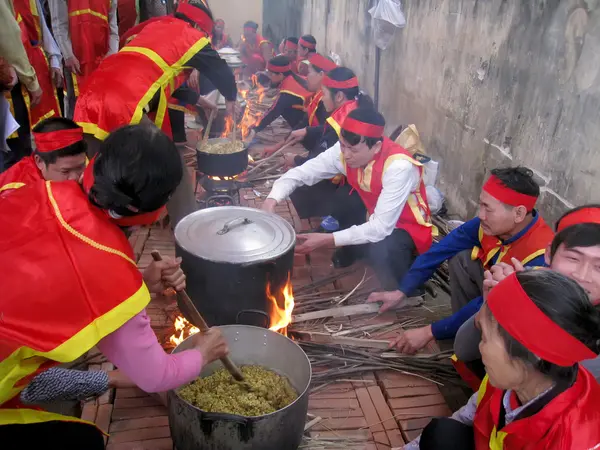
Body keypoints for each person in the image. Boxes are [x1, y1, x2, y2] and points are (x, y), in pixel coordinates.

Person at [0, 124, 229, 448]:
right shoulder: (110, 274)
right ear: (149, 210)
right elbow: (157, 377)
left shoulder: (29, 189)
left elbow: (61, 277)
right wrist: (204, 352)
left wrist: (139, 282)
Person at [74, 1, 237, 225]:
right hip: (123, 103)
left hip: (89, 96)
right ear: (200, 28)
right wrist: (231, 100)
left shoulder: (154, 29)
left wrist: (201, 101)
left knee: (102, 167)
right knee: (168, 163)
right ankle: (188, 223)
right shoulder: (191, 36)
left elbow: (159, 80)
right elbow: (221, 70)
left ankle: (93, 226)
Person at [404, 270, 600, 450]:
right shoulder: (509, 377)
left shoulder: (574, 440)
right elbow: (468, 414)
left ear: (532, 351)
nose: (479, 347)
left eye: (485, 337)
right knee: (442, 433)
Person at [368, 167, 554, 354]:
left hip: (517, 325)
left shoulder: (539, 256)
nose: (480, 215)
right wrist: (402, 291)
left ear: (519, 214)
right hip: (491, 293)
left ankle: (481, 351)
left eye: (488, 208)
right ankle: (464, 333)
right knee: (461, 258)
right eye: (481, 205)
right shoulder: (486, 226)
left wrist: (430, 331)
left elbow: (486, 303)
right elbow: (440, 251)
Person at [262, 108, 435, 288]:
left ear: (376, 146)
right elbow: (302, 173)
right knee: (344, 200)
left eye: (352, 149)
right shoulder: (344, 151)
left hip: (406, 224)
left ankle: (409, 288)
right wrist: (271, 200)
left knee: (386, 248)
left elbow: (381, 228)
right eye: (343, 146)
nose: (346, 154)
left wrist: (327, 240)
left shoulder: (399, 167)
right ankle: (356, 250)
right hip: (374, 211)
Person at [453, 204, 600, 385]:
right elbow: (463, 349)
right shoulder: (527, 284)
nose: (582, 276)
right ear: (548, 254)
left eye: (599, 267)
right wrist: (492, 308)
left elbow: (562, 389)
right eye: (573, 258)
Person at [4, 0, 62, 170]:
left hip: (33, 65)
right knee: (13, 150)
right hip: (12, 77)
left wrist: (54, 58)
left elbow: (41, 27)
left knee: (40, 135)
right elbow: (11, 40)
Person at [260, 53, 336, 166]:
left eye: (309, 72)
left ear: (321, 75)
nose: (306, 76)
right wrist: (276, 147)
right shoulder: (318, 95)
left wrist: (297, 161)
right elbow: (302, 125)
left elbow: (325, 144)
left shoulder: (328, 104)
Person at [49, 0, 119, 117]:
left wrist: (112, 56)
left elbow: (113, 25)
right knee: (75, 106)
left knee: (101, 106)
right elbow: (59, 24)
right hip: (75, 61)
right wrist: (68, 55)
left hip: (102, 59)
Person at [0, 117, 87, 196]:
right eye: (65, 171)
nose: (75, 178)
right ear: (40, 162)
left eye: (80, 167)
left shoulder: (82, 163)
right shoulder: (16, 194)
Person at [247, 55, 312, 138]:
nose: (269, 77)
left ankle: (298, 134)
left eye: (271, 74)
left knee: (284, 109)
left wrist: (254, 129)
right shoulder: (294, 77)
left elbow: (273, 112)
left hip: (309, 124)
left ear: (280, 75)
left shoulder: (289, 92)